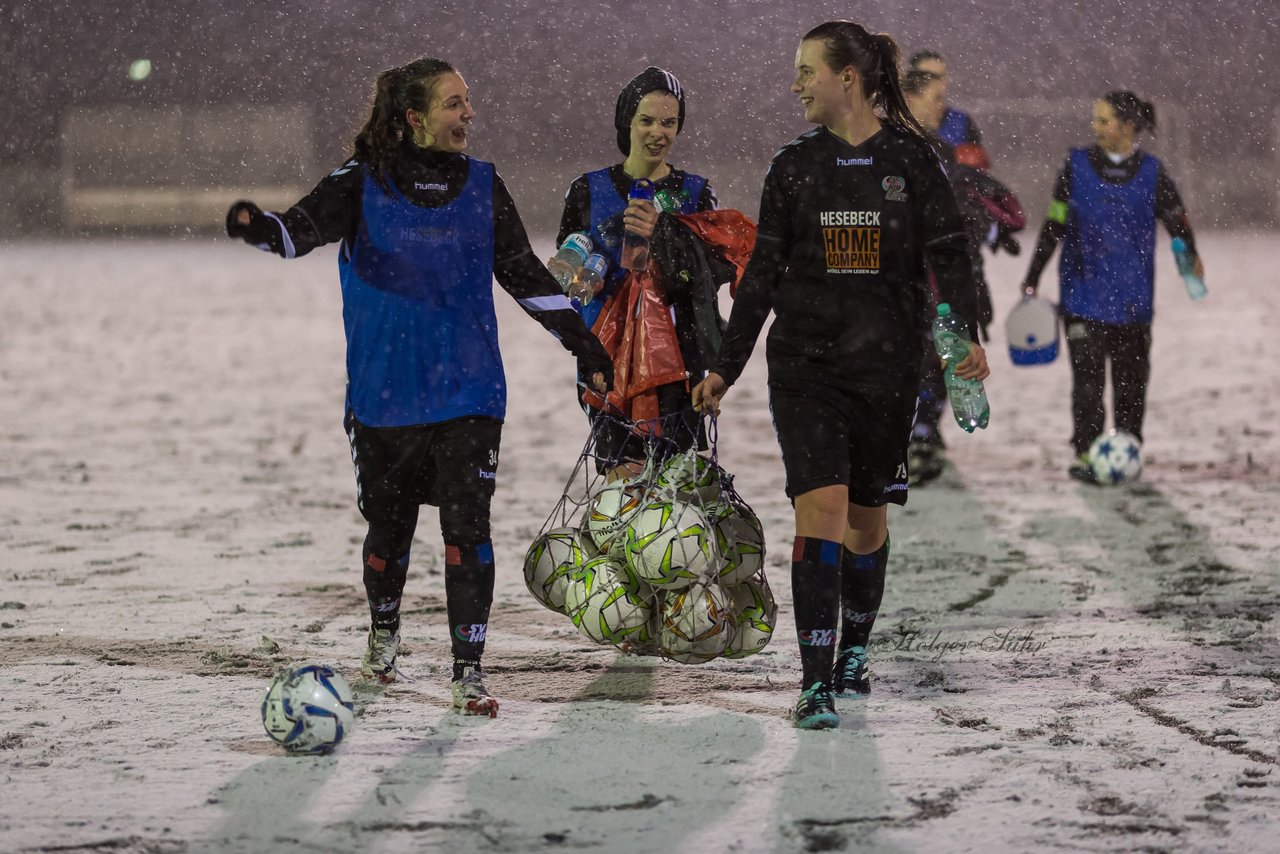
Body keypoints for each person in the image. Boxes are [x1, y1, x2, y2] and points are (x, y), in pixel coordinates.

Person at [225, 57, 612, 717]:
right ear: (414, 117)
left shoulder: (485, 186)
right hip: (385, 397)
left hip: (470, 392)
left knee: (468, 528)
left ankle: (469, 671)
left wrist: (585, 343)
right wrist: (257, 227)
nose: (468, 115)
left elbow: (521, 274)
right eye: (454, 104)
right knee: (390, 532)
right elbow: (298, 234)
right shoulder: (362, 183)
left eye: (469, 102)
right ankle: (384, 633)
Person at [692, 22, 988, 729]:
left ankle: (856, 647)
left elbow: (950, 251)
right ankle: (815, 680)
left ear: (846, 78)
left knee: (865, 521)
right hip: (806, 367)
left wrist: (964, 334)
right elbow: (761, 274)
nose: (796, 85)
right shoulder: (793, 166)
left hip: (887, 369)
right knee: (818, 509)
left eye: (806, 71)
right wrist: (726, 365)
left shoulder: (912, 160)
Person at [557, 67, 736, 477]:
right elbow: (566, 267)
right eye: (647, 120)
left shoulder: (696, 193)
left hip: (679, 358)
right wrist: (587, 280)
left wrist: (667, 236)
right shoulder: (587, 189)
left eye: (669, 122)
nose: (659, 132)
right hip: (608, 357)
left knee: (674, 486)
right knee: (623, 485)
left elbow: (716, 273)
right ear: (627, 122)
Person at [1020, 90, 1201, 482]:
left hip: (1133, 303)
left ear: (1128, 126)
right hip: (1083, 298)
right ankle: (1086, 453)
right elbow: (1054, 224)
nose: (1096, 127)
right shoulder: (1075, 166)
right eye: (1096, 119)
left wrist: (1191, 268)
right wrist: (1033, 275)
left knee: (1131, 384)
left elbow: (1178, 226)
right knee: (1086, 385)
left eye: (1104, 120)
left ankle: (1128, 448)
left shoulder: (1154, 173)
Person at [902, 69, 1025, 484]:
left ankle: (923, 434)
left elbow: (1005, 207)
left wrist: (985, 226)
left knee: (938, 355)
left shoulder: (948, 150)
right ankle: (910, 434)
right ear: (908, 96)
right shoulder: (880, 149)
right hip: (891, 286)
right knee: (907, 358)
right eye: (935, 95)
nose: (943, 105)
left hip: (942, 282)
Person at [907, 49, 988, 166]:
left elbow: (975, 171)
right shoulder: (894, 128)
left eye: (942, 77)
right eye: (929, 76)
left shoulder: (960, 122)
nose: (939, 84)